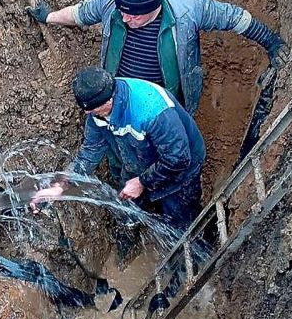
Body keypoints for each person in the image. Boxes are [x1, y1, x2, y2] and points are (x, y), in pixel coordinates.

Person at [28, 0, 288, 116]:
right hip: (119, 98)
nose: (125, 19)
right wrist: (49, 17)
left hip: (166, 103)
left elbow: (233, 18)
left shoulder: (189, 9)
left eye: (134, 15)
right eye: (122, 12)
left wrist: (271, 42)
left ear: (155, 9)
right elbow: (81, 14)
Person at [31, 66, 206, 233]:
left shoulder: (151, 111)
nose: (88, 114)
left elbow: (179, 158)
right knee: (126, 212)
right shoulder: (97, 113)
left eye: (93, 110)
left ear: (109, 100)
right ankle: (129, 244)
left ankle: (189, 252)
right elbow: (90, 152)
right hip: (137, 162)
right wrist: (61, 185)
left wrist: (142, 182)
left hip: (181, 169)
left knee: (179, 219)